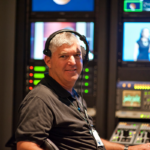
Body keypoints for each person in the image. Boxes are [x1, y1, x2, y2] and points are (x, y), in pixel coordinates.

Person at [16, 30, 150, 150]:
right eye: (64, 56)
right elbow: (26, 145)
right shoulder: (40, 99)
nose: (73, 62)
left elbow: (91, 141)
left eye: (77, 55)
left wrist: (127, 149)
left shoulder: (73, 96)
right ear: (48, 61)